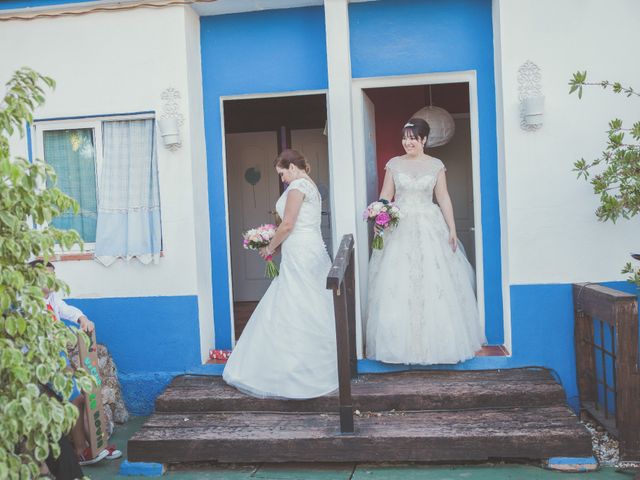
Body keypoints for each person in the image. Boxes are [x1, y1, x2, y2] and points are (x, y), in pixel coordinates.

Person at [366, 118, 485, 365]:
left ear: (424, 140)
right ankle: (399, 346)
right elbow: (386, 195)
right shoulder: (394, 164)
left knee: (434, 280)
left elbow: (443, 197)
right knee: (399, 282)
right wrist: (380, 215)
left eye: (413, 138)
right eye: (405, 137)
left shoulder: (436, 165)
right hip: (399, 226)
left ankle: (437, 345)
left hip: (430, 224)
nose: (407, 142)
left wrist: (452, 229)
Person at [223, 149, 338, 399]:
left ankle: (291, 367)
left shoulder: (297, 186)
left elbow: (287, 224)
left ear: (292, 167)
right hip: (313, 249)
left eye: (282, 173)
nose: (282, 178)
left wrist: (269, 247)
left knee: (294, 302)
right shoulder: (312, 187)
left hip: (300, 251)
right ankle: (314, 364)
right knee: (310, 303)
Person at [29, 260, 122, 466]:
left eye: (53, 275)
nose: (51, 280)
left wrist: (82, 318)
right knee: (76, 398)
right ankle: (81, 450)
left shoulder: (51, 298)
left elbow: (67, 309)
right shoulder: (28, 305)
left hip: (58, 360)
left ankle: (99, 446)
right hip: (42, 363)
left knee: (89, 391)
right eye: (46, 276)